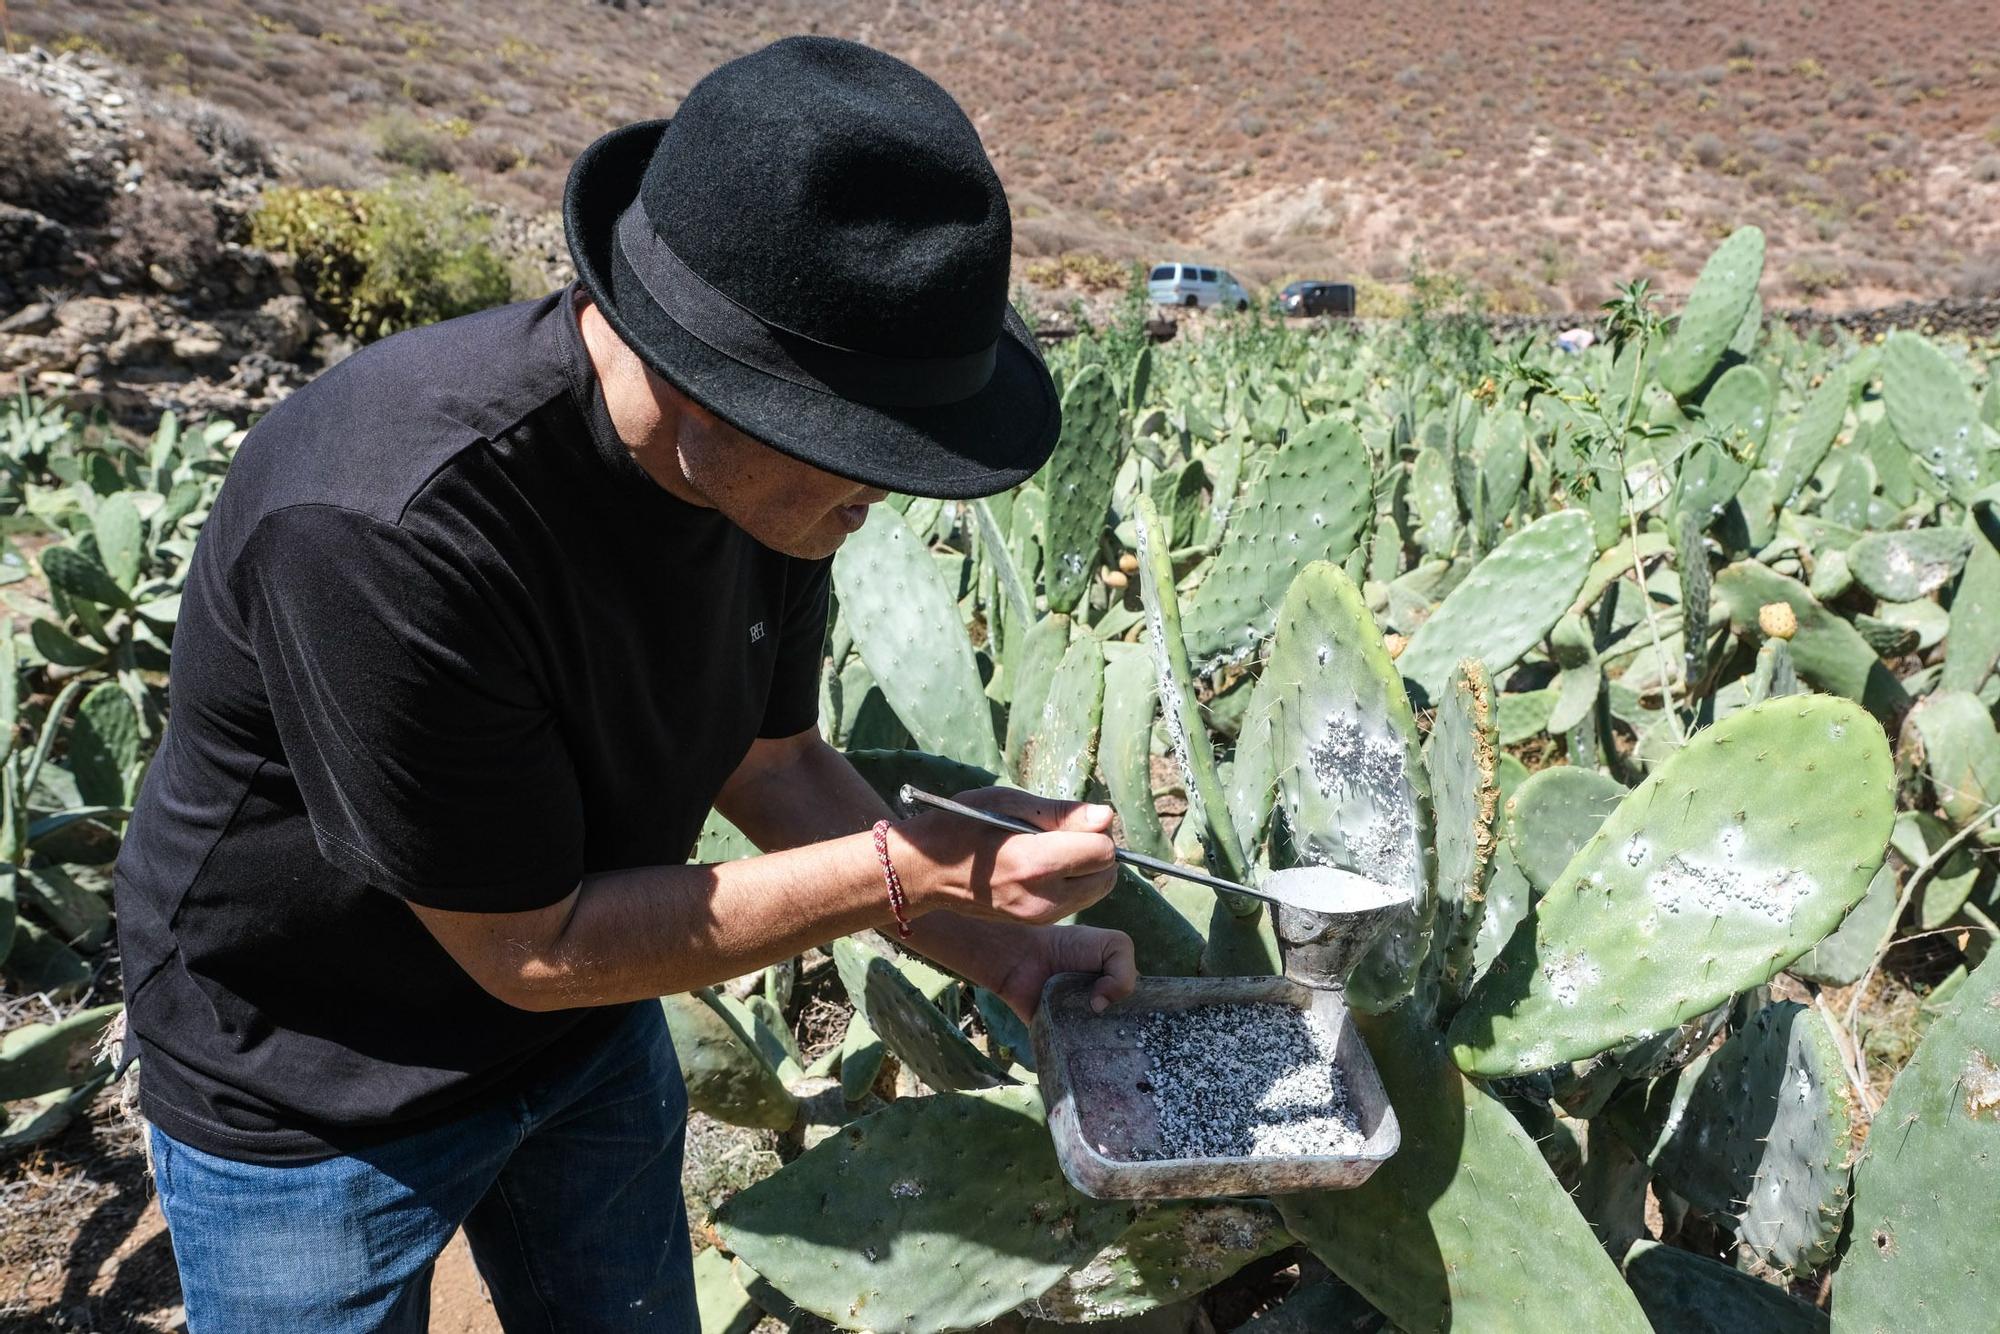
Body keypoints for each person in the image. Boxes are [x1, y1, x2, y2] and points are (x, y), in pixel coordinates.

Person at [115, 36, 1136, 1331]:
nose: (882, 494)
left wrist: (1011, 951)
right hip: (313, 1081)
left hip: (586, 1032)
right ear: (714, 395)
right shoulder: (389, 525)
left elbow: (768, 765)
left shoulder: (775, 495)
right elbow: (528, 947)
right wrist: (905, 871)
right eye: (865, 454)